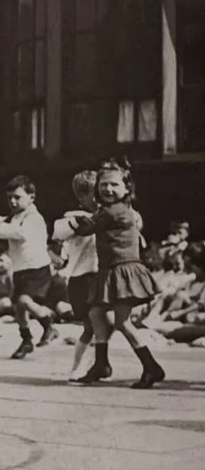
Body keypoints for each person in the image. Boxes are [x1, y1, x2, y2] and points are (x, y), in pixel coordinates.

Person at [72, 159, 165, 389]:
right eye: (104, 185)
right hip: (113, 270)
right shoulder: (120, 210)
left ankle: (151, 367)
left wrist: (70, 221)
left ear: (126, 189)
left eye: (114, 185)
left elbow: (86, 228)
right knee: (96, 313)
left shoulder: (113, 212)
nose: (108, 189)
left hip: (122, 272)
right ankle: (101, 364)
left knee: (123, 323)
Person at [0, 176, 58, 359]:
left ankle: (48, 322)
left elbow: (20, 234)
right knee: (19, 309)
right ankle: (26, 340)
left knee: (24, 301)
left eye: (17, 197)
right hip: (20, 269)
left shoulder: (34, 218)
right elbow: (3, 227)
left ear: (31, 197)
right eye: (9, 197)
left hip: (37, 268)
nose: (12, 201)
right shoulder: (13, 217)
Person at [52, 170, 101, 381]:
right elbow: (58, 232)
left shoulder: (109, 215)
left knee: (98, 325)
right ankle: (79, 366)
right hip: (82, 278)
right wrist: (77, 222)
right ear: (82, 197)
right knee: (90, 326)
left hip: (102, 276)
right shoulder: (70, 218)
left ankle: (91, 365)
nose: (102, 197)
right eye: (95, 193)